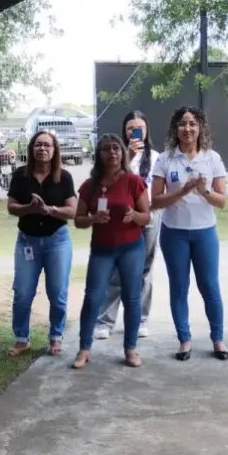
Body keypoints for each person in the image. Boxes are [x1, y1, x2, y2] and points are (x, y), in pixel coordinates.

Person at [151, 106, 228, 361]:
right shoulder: (165, 159)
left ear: (200, 128)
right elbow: (155, 201)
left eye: (193, 124)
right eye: (182, 124)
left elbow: (222, 201)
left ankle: (218, 338)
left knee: (210, 286)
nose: (187, 129)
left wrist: (203, 190)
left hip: (204, 232)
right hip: (174, 233)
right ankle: (184, 339)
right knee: (179, 287)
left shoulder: (212, 158)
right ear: (175, 128)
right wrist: (183, 191)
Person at [72, 134, 151, 369]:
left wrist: (134, 215)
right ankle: (84, 349)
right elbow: (78, 220)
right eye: (106, 149)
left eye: (116, 148)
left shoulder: (133, 181)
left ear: (123, 153)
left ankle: (130, 349)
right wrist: (93, 218)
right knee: (93, 297)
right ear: (99, 154)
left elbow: (146, 217)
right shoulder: (90, 185)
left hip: (131, 249)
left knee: (132, 298)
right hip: (102, 250)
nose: (112, 152)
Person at [5, 131, 77, 356]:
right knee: (22, 292)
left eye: (47, 145)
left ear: (55, 150)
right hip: (27, 240)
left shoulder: (63, 177)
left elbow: (73, 211)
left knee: (57, 292)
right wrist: (29, 208)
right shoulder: (21, 175)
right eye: (38, 145)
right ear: (31, 149)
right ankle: (21, 339)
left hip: (57, 241)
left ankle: (56, 336)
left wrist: (50, 210)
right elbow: (11, 207)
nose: (42, 149)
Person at [95, 111, 161, 342]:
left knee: (144, 268)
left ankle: (141, 319)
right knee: (115, 268)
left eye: (139, 127)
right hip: (120, 217)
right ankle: (105, 321)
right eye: (131, 128)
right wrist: (128, 156)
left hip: (148, 215)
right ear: (124, 130)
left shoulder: (156, 158)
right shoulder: (115, 155)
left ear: (147, 130)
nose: (135, 132)